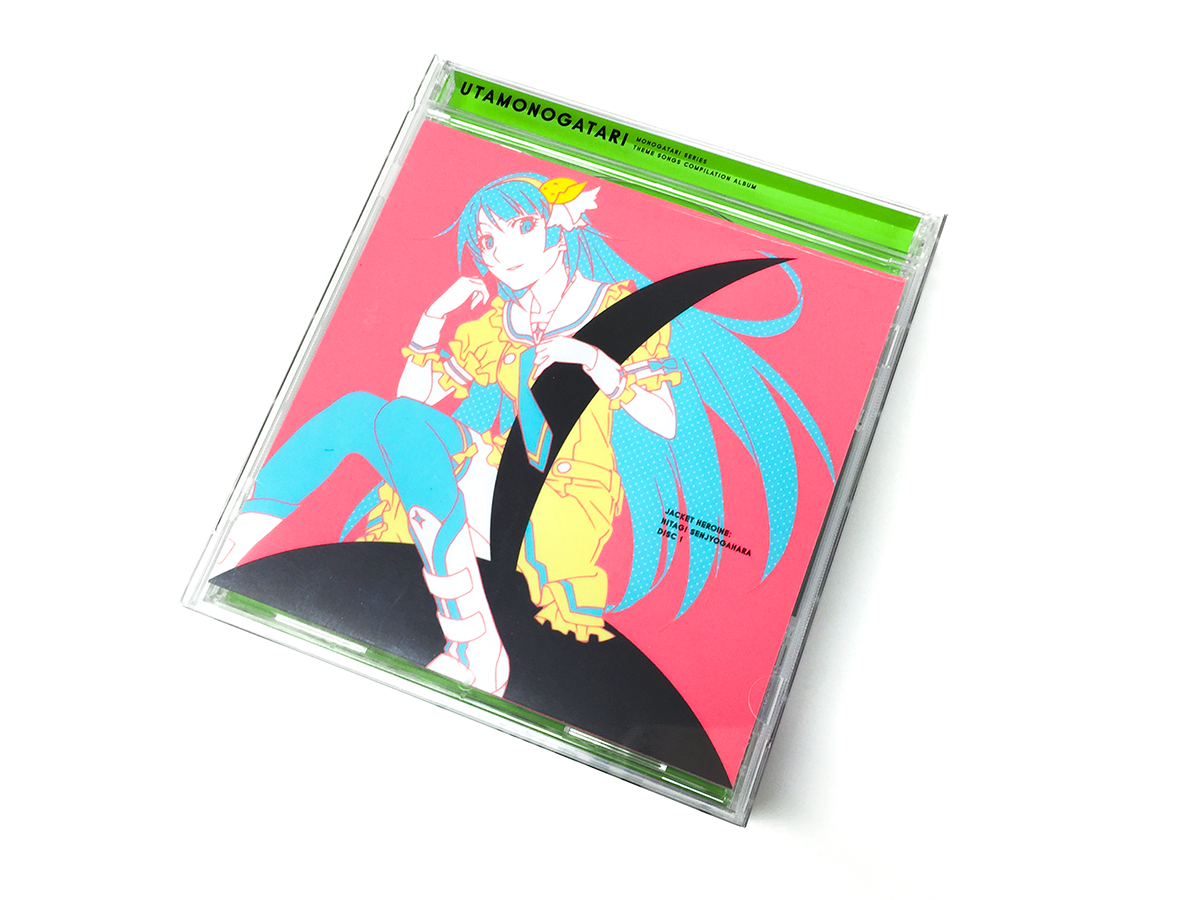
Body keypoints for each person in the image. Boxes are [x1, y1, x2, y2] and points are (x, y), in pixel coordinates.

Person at [213, 173, 834, 699]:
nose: (500, 250)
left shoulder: (617, 308)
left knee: (401, 428)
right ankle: (233, 553)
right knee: (358, 412)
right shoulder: (494, 324)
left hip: (562, 497)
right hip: (493, 471)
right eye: (487, 240)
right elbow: (409, 407)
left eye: (519, 228)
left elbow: (664, 421)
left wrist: (598, 363)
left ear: (558, 231)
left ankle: (474, 645)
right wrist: (432, 320)